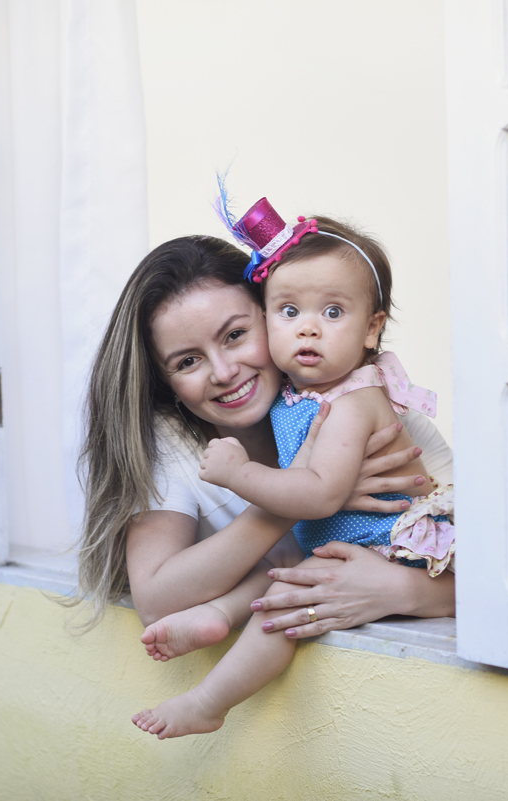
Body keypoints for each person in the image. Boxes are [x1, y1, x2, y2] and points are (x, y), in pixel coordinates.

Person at [132, 199, 454, 739]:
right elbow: (155, 600)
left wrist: (402, 589)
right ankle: (220, 615)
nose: (224, 371)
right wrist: (293, 504)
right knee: (283, 563)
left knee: (288, 589)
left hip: (386, 556)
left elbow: (487, 569)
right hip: (319, 553)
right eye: (187, 361)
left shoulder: (367, 409)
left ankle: (210, 698)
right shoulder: (190, 439)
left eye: (235, 334)